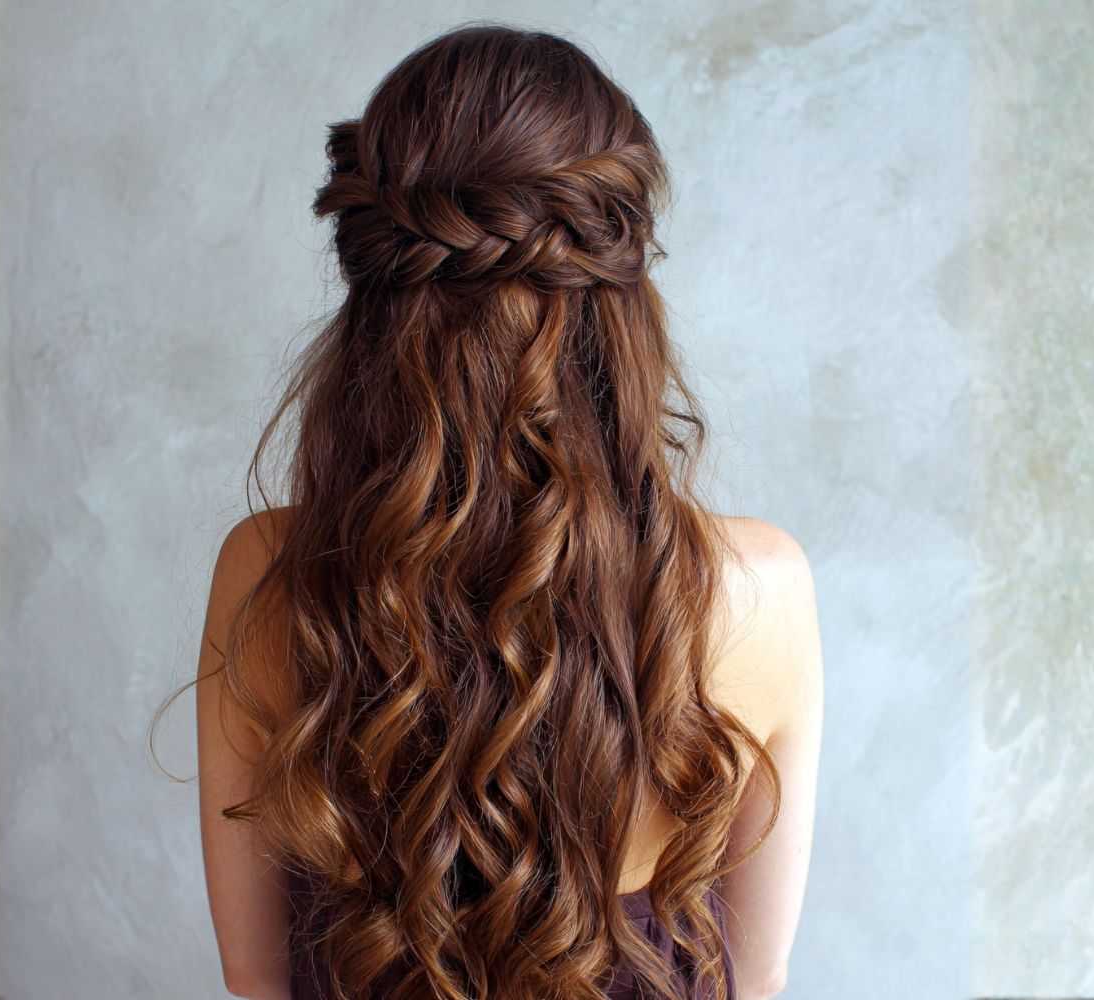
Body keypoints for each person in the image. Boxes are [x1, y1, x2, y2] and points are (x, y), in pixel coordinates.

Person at [188, 22, 823, 1000]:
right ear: (624, 292)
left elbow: (254, 975)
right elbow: (756, 978)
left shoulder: (270, 575)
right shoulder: (757, 590)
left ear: (372, 297)